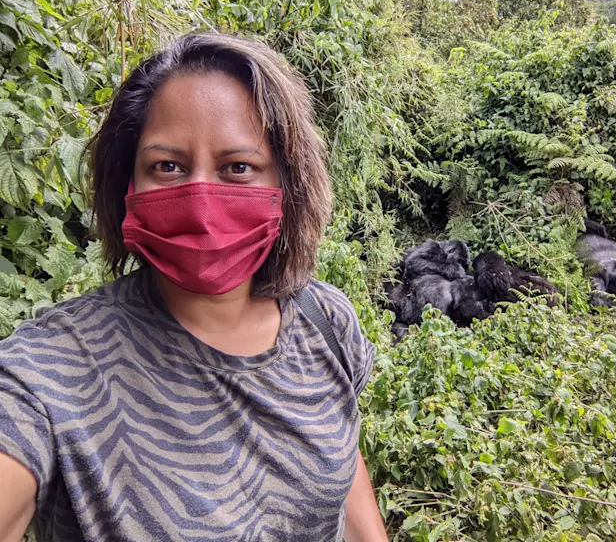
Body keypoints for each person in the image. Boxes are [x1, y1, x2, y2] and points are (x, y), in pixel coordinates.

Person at [0, 32, 387, 542]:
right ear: (128, 185)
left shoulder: (327, 323)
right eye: (168, 166)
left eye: (238, 168)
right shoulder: (56, 369)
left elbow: (344, 471)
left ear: (287, 186)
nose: (201, 201)